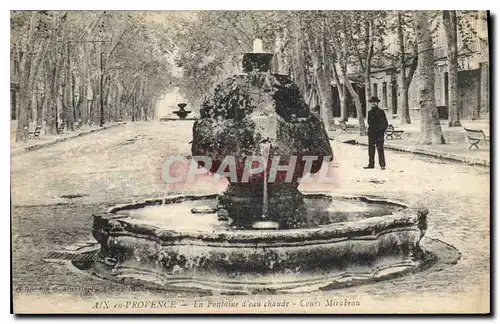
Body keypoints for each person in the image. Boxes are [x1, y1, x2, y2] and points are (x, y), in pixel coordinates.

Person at [364, 96, 388, 170]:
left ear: (377, 103)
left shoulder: (381, 112)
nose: (373, 104)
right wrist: (370, 131)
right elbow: (369, 122)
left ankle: (382, 165)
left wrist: (381, 131)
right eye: (372, 102)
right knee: (371, 149)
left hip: (379, 134)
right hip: (371, 134)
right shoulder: (369, 112)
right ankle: (371, 164)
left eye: (375, 102)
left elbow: (385, 123)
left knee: (380, 149)